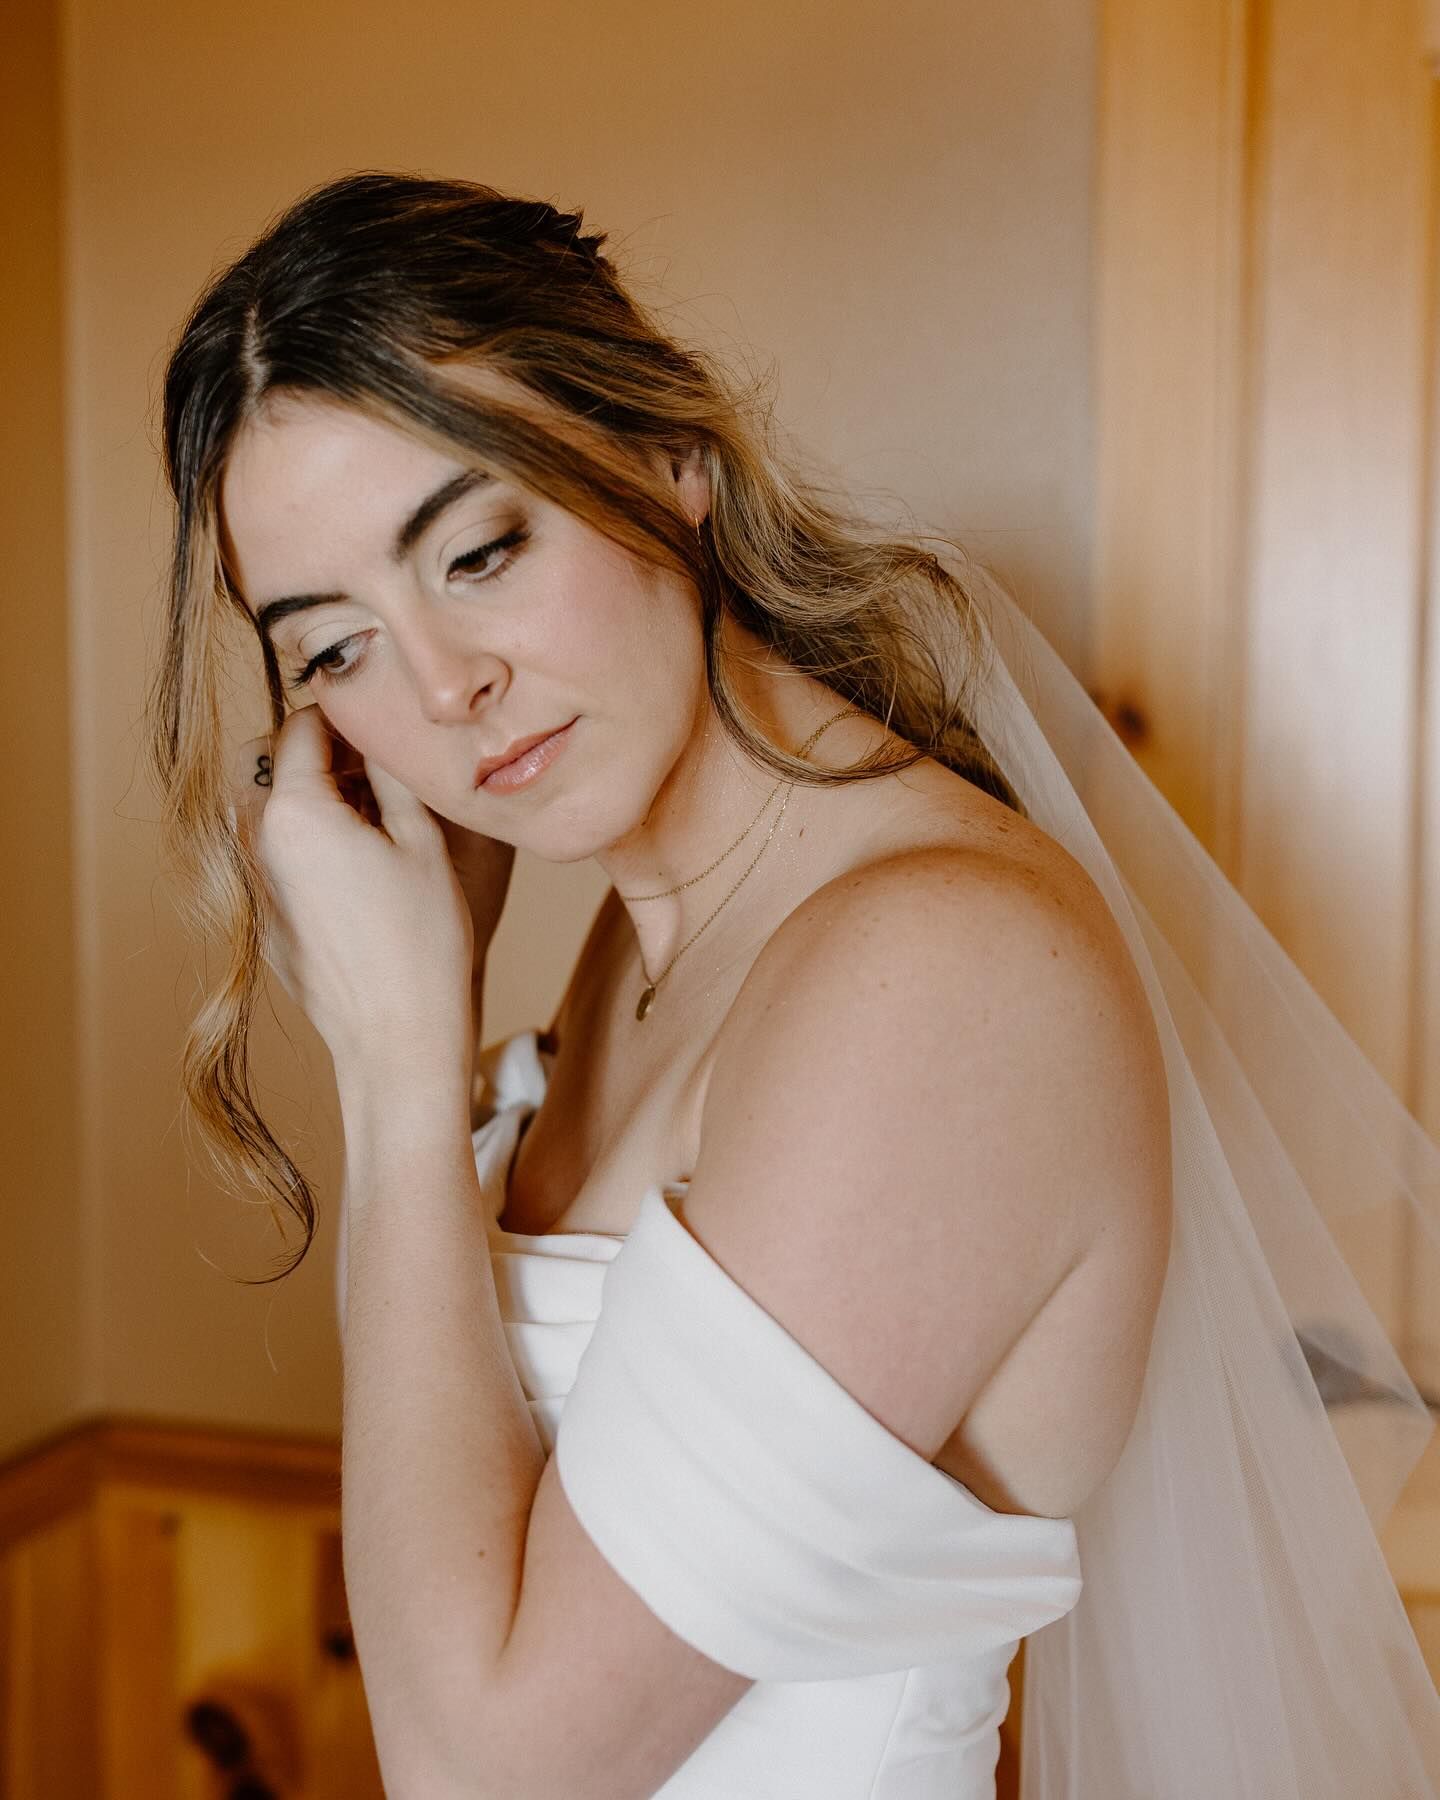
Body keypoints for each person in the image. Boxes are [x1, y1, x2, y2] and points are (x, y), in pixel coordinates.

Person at [145, 173, 1440, 1798]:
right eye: (335, 647)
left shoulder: (937, 973)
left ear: (670, 465)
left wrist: (403, 1081)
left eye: (478, 551)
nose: (445, 687)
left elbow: (489, 1775)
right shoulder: (648, 939)